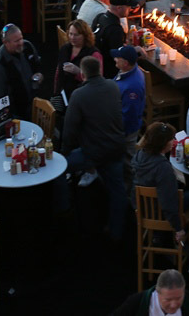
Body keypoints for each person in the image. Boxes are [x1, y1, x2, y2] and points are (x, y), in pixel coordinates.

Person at [61, 57, 127, 240]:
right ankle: (117, 232)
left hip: (93, 152)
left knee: (59, 168)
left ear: (82, 74)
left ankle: (64, 209)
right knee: (117, 191)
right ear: (100, 70)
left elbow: (69, 129)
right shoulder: (113, 87)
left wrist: (64, 153)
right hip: (115, 148)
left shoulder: (79, 95)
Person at [131, 123, 189, 259]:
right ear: (163, 144)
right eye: (171, 139)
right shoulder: (163, 169)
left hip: (142, 210)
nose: (174, 142)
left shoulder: (139, 155)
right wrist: (178, 228)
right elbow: (168, 204)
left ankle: (158, 236)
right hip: (160, 213)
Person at [0, 24, 42, 119]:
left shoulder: (27, 46)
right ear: (5, 42)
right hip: (16, 115)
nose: (21, 43)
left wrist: (39, 75)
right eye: (16, 41)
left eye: (21, 38)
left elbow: (37, 64)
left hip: (34, 105)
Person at [111, 269, 189, 316]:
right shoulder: (137, 302)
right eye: (168, 299)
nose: (173, 305)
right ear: (157, 292)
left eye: (178, 298)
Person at [54, 19, 102, 100]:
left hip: (83, 97)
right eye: (70, 34)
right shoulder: (65, 49)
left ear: (85, 36)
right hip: (63, 95)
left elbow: (98, 81)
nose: (72, 38)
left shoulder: (93, 54)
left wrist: (78, 72)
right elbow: (58, 72)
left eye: (76, 35)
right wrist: (56, 92)